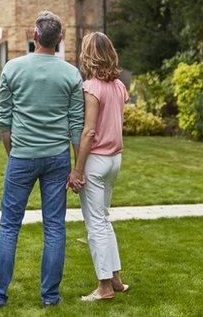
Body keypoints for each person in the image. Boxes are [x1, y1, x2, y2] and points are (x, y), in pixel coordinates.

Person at [0, 11, 84, 309]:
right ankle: (50, 297)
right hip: (57, 158)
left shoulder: (12, 68)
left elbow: (5, 122)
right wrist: (77, 167)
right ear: (59, 39)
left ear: (34, 37)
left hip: (22, 157)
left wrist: (13, 154)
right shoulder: (71, 73)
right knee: (54, 227)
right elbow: (77, 126)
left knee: (9, 226)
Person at [68, 31, 130, 301]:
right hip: (115, 160)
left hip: (96, 162)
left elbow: (89, 132)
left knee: (96, 224)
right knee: (104, 219)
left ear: (88, 56)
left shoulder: (92, 87)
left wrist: (77, 170)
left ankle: (104, 287)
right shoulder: (119, 86)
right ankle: (116, 279)